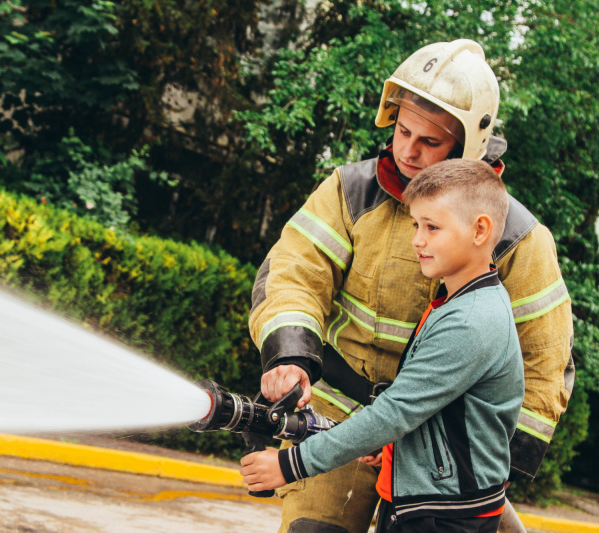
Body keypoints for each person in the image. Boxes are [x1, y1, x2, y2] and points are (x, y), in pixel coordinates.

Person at [249, 39, 574, 533]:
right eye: (402, 130)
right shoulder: (350, 192)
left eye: (430, 141)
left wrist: (492, 467)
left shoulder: (517, 237)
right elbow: (294, 272)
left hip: (440, 447)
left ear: (469, 147)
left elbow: (545, 362)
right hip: (339, 413)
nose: (407, 150)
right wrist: (291, 355)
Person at [242, 158, 526, 533]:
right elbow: (436, 412)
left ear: (480, 230)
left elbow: (395, 413)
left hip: (441, 517)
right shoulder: (458, 301)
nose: (417, 241)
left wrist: (290, 464)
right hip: (432, 504)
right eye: (415, 225)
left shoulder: (471, 320)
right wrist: (394, 450)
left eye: (432, 227)